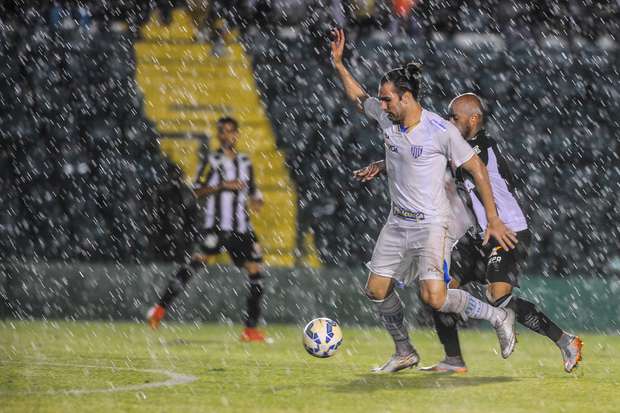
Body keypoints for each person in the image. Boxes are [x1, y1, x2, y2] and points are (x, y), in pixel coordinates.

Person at [330, 28, 518, 373]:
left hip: (432, 224)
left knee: (434, 297)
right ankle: (404, 350)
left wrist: (493, 219)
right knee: (375, 289)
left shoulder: (439, 130)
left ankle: (497, 315)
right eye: (381, 100)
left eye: (387, 99)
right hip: (397, 221)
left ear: (406, 98)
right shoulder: (388, 121)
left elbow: (477, 167)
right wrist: (339, 64)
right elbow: (359, 99)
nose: (381, 105)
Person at [355, 93, 584, 374]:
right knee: (439, 291)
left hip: (507, 232)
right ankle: (454, 360)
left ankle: (566, 341)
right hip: (478, 237)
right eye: (449, 116)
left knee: (497, 296)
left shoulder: (482, 148)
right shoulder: (459, 145)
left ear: (474, 119)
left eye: (455, 117)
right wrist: (384, 165)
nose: (450, 121)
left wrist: (494, 219)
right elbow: (426, 160)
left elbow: (464, 167)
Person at [147, 116, 268, 342]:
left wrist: (257, 199)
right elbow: (195, 191)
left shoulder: (245, 162)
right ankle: (159, 310)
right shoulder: (212, 161)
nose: (226, 135)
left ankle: (250, 330)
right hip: (218, 228)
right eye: (222, 131)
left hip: (242, 229)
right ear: (218, 135)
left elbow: (253, 190)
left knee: (257, 273)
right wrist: (222, 185)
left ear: (237, 134)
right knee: (193, 266)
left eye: (230, 131)